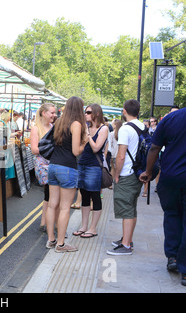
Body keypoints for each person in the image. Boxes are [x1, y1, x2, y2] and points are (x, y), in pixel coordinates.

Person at [139, 108, 186, 286]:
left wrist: (149, 172)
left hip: (171, 177)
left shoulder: (172, 118)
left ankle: (173, 256)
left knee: (172, 214)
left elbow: (155, 147)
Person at [46, 96, 87, 253]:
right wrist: (86, 142)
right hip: (67, 168)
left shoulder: (59, 122)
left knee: (52, 204)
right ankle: (61, 244)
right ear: (79, 109)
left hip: (53, 166)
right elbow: (76, 151)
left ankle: (51, 240)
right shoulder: (76, 124)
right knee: (64, 208)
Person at [107, 99, 144, 256]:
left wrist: (116, 174)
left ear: (124, 111)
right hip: (138, 173)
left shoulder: (125, 129)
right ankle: (127, 239)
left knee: (126, 209)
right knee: (132, 207)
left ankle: (126, 245)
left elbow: (121, 156)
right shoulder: (143, 126)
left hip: (127, 173)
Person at [74, 104, 109, 238]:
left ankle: (93, 228)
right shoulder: (86, 128)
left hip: (94, 166)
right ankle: (84, 226)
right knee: (84, 195)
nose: (85, 114)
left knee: (95, 195)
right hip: (82, 164)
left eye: (88, 112)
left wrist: (88, 135)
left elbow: (96, 148)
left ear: (96, 114)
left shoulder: (103, 128)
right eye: (85, 112)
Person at [30, 103, 56, 233]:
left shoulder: (53, 127)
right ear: (44, 113)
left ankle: (46, 222)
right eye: (52, 112)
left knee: (51, 194)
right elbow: (34, 149)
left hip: (53, 163)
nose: (54, 115)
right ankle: (45, 222)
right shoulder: (36, 129)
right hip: (43, 165)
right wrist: (50, 149)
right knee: (49, 193)